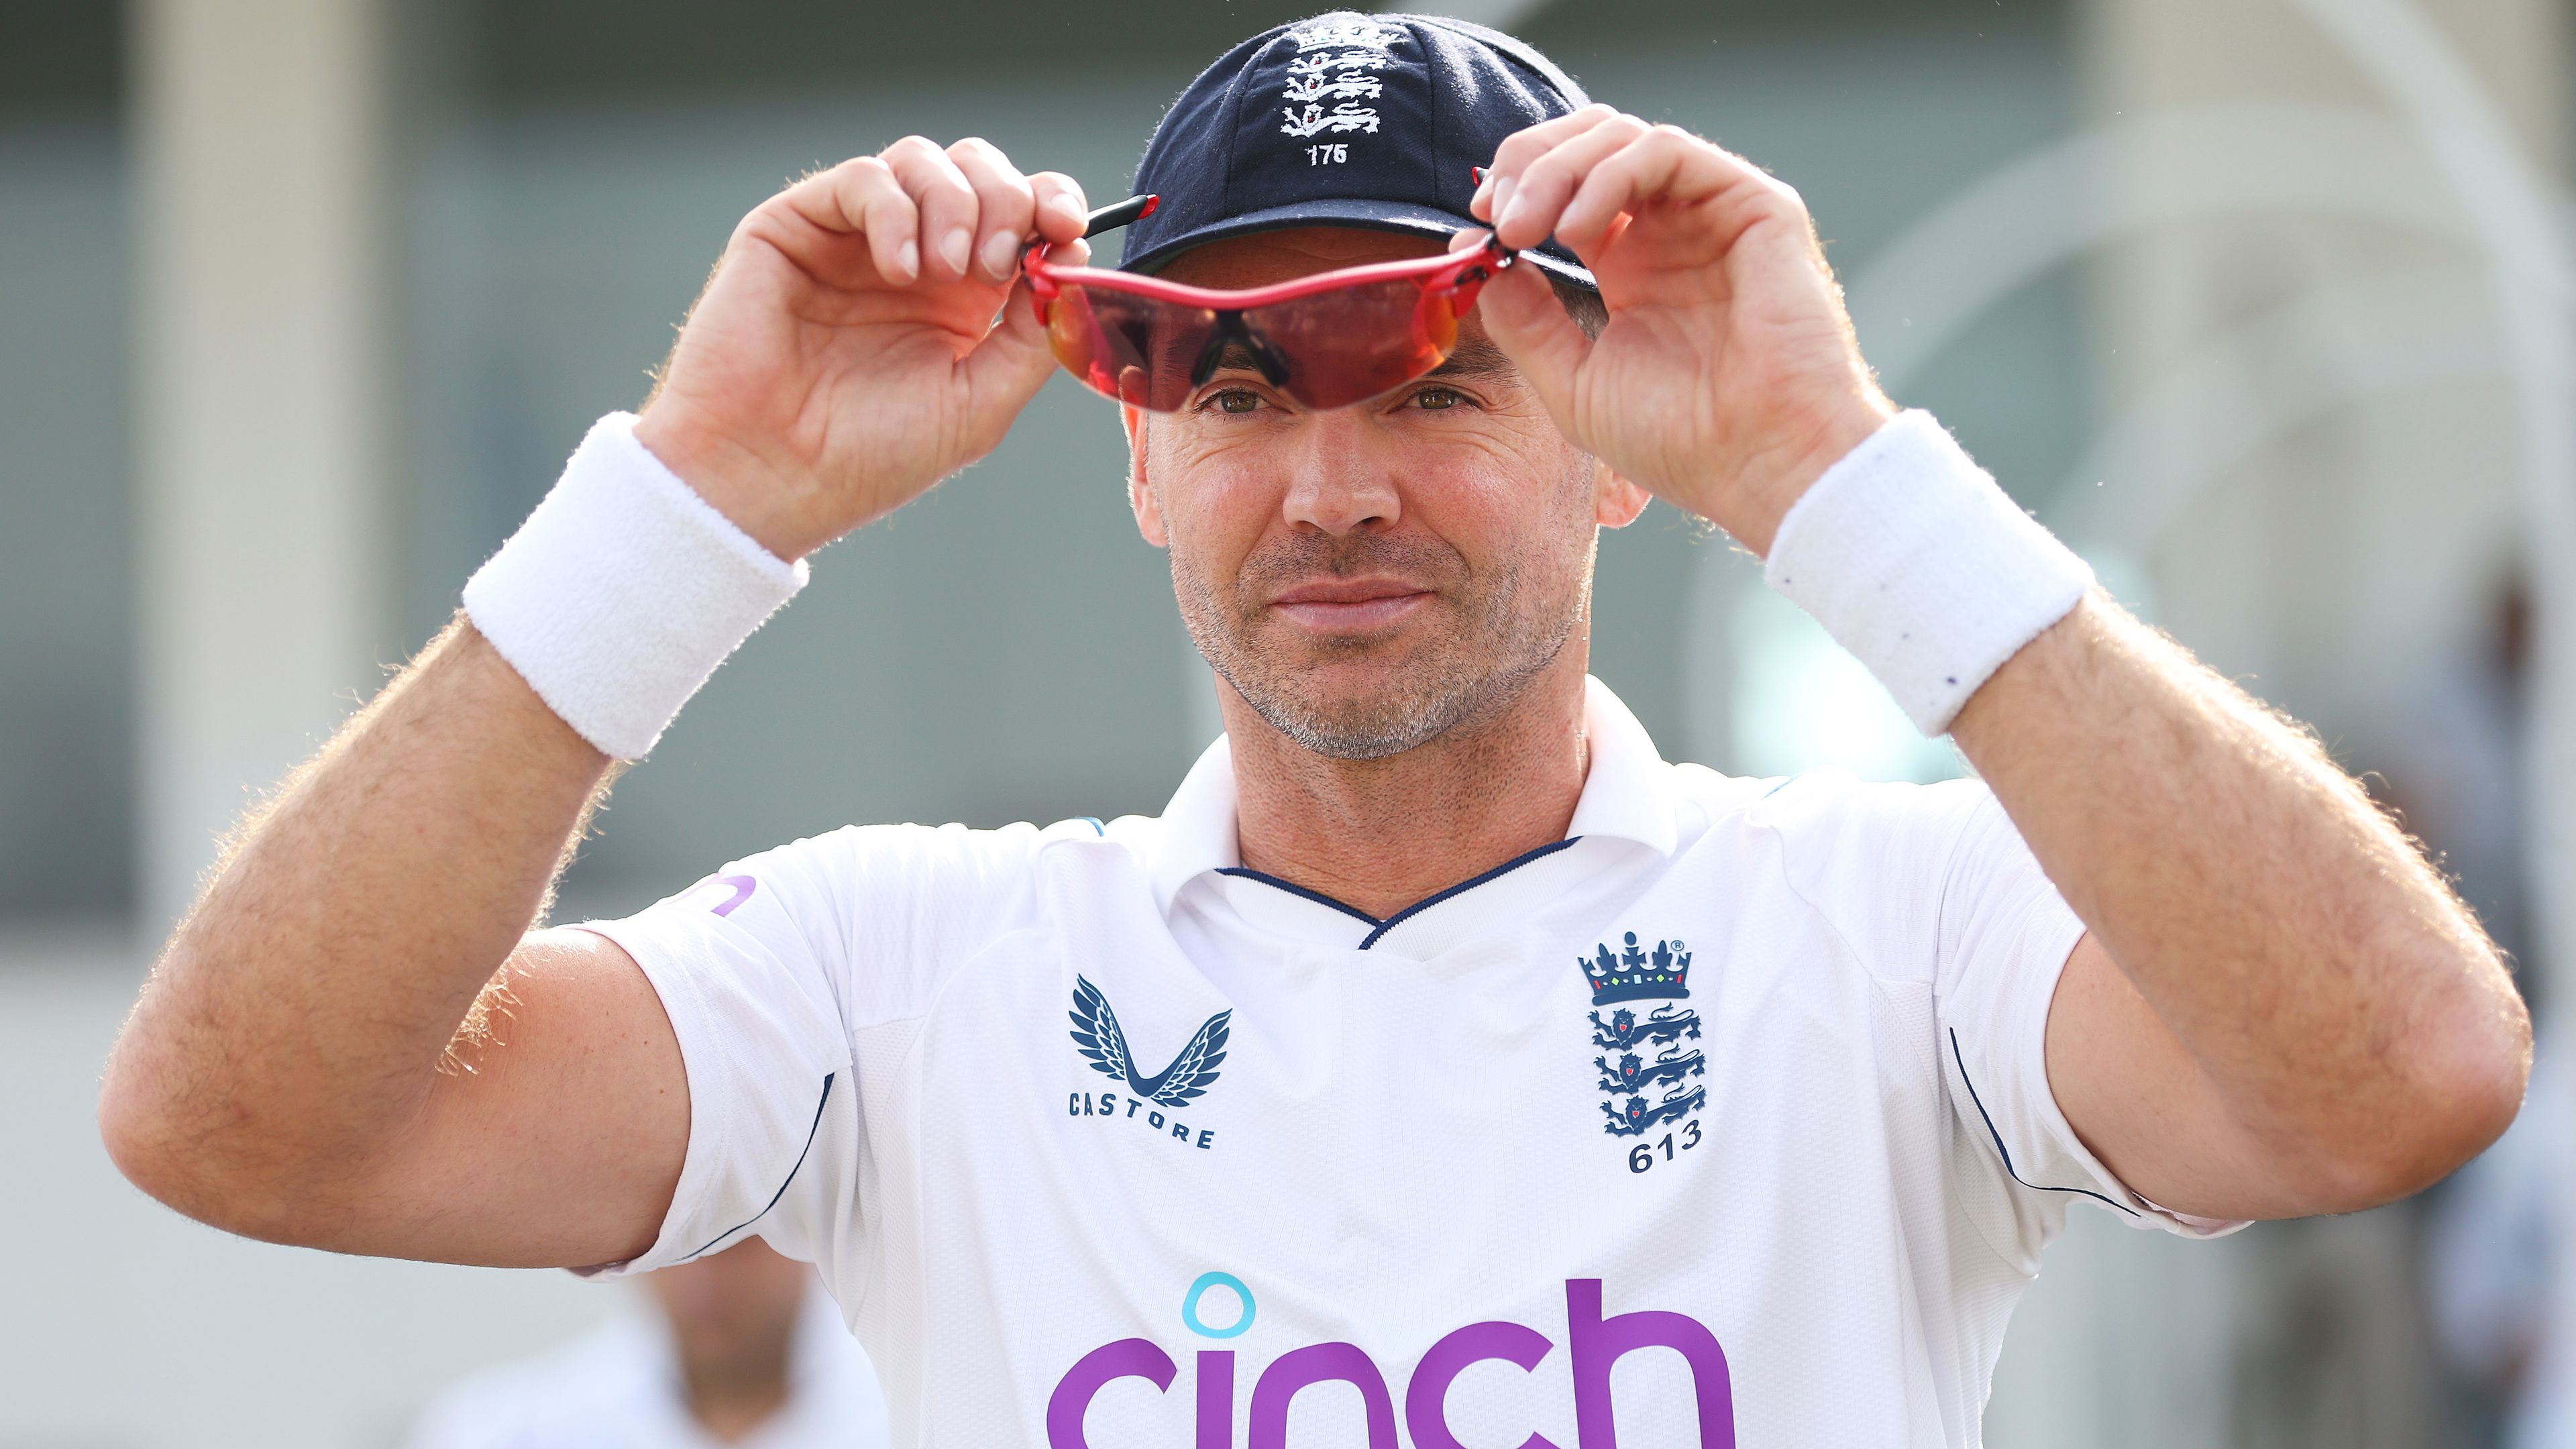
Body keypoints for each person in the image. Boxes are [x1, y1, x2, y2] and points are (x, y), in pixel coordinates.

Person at [98, 13, 2529, 1446]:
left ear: (1614, 446)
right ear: (1138, 450)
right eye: (1238, 383)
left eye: (1437, 380)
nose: (1336, 484)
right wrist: (691, 501)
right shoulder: (900, 971)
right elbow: (235, 1120)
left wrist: (1833, 468)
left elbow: (2401, 1067)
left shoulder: (1885, 928)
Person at [409, 1238, 891, 1449]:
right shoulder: (503, 1433)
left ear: (803, 1234)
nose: (700, 1281)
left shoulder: (916, 1420)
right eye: (675, 1248)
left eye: (736, 1243)